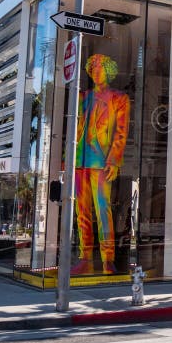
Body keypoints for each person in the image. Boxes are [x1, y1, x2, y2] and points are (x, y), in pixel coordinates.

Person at [71, 54, 131, 275]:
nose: (95, 71)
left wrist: (114, 160)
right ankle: (85, 257)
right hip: (80, 160)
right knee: (82, 211)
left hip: (101, 161)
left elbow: (121, 132)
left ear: (108, 70)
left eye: (100, 67)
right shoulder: (83, 97)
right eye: (92, 68)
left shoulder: (118, 98)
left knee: (102, 210)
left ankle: (108, 259)